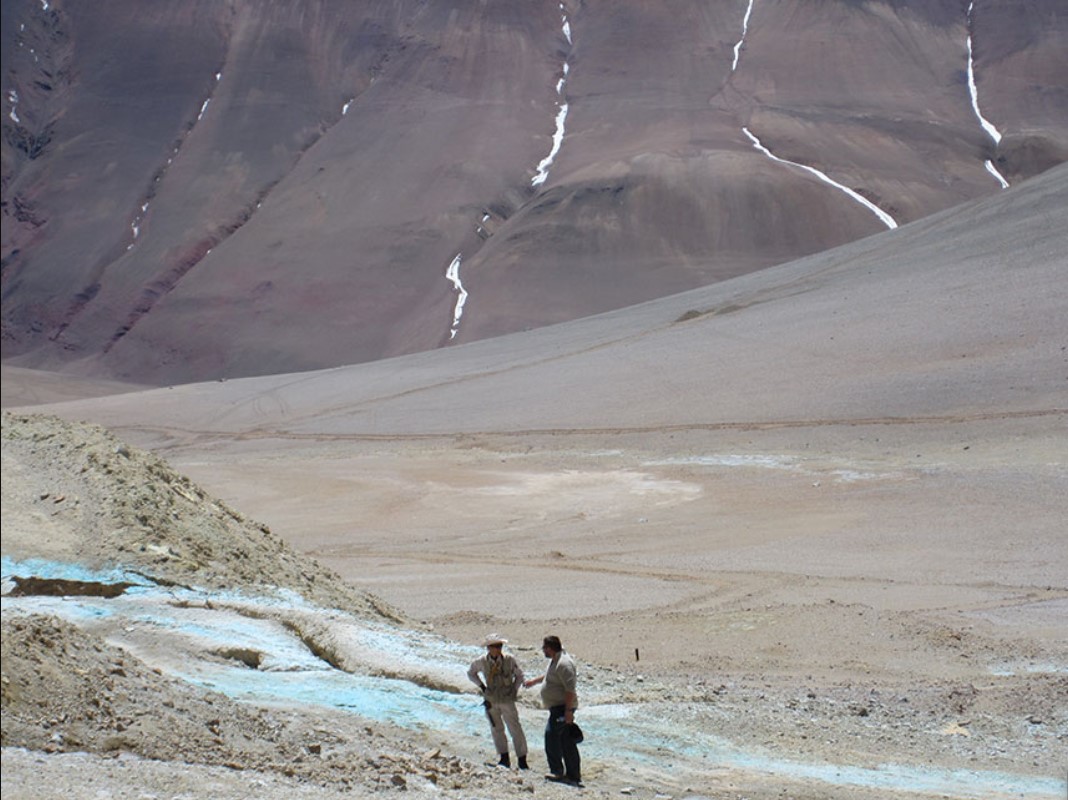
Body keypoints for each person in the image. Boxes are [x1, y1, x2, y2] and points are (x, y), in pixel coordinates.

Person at [524, 635, 581, 786]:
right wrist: (534, 681)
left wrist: (568, 711)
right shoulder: (556, 661)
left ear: (549, 648)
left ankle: (557, 771)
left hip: (562, 708)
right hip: (558, 708)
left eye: (544, 648)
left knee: (552, 737)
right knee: (565, 741)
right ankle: (573, 775)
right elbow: (551, 676)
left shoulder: (565, 664)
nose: (543, 651)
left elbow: (570, 690)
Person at [467, 633, 529, 769]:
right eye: (495, 646)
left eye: (499, 646)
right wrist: (482, 687)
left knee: (515, 728)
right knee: (496, 729)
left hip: (507, 699)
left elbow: (520, 675)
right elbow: (471, 673)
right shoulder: (481, 661)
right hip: (491, 700)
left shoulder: (509, 659)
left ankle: (522, 759)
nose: (498, 648)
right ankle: (504, 757)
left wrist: (514, 690)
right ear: (489, 648)